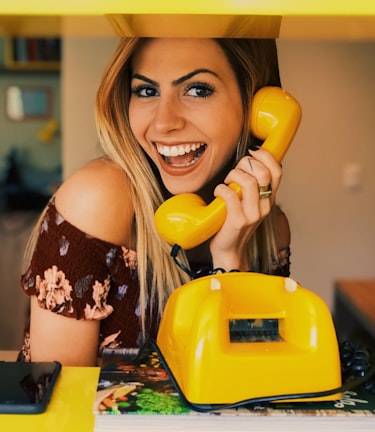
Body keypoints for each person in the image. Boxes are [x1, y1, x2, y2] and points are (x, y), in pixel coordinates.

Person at [19, 37, 291, 366]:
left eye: (198, 89)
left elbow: (251, 383)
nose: (163, 123)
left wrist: (230, 261)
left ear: (257, 107)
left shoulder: (269, 229)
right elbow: (59, 400)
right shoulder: (96, 200)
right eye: (147, 91)